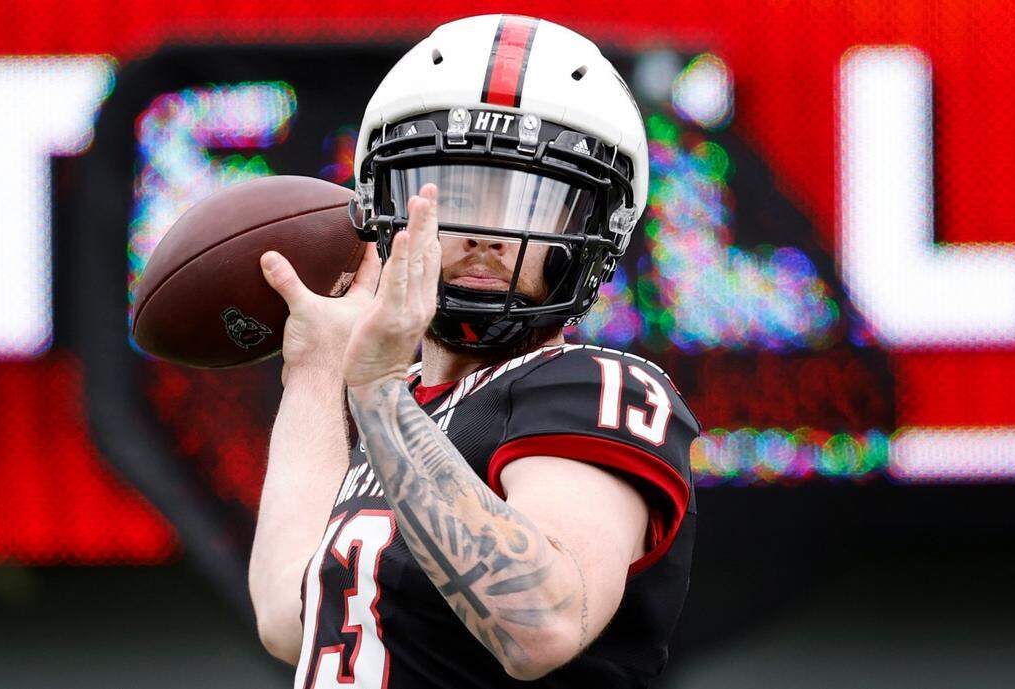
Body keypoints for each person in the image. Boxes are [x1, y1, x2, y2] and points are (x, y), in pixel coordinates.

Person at [249, 14, 700, 688]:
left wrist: (379, 398)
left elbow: (540, 622)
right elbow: (291, 613)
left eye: (532, 200)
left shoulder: (597, 386)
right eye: (454, 193)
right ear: (385, 207)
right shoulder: (403, 411)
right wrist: (317, 371)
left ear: (594, 229)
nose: (489, 232)